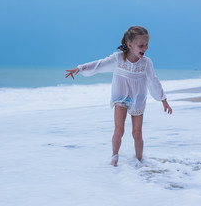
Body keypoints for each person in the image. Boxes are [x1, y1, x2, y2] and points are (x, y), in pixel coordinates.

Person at [65, 26, 172, 166]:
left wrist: (163, 99)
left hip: (138, 99)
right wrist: (80, 68)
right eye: (141, 45)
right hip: (120, 97)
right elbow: (99, 64)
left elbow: (154, 81)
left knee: (137, 133)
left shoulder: (146, 63)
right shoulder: (118, 59)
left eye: (146, 45)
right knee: (119, 129)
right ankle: (114, 159)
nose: (145, 48)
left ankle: (140, 162)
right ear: (130, 45)